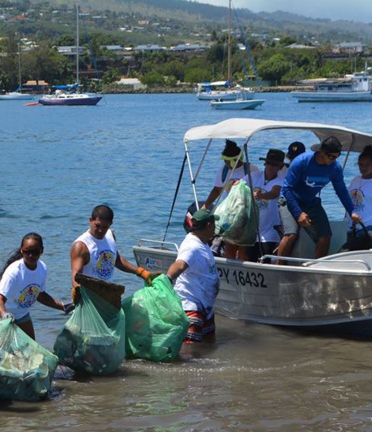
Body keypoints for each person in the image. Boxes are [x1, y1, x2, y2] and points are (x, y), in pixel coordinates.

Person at [276, 136, 361, 261]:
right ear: (321, 151)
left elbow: (341, 191)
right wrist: (298, 213)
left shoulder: (335, 168)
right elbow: (287, 189)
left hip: (310, 202)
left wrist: (351, 211)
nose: (333, 160)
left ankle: (317, 268)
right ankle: (278, 268)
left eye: (337, 157)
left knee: (325, 236)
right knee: (291, 234)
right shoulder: (301, 162)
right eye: (331, 157)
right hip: (289, 200)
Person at [0, 233, 73, 340]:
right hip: (0, 310)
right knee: (3, 348)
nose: (31, 256)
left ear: (41, 251)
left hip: (21, 312)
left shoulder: (42, 268)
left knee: (30, 345)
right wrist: (4, 316)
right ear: (22, 250)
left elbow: (40, 295)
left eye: (35, 252)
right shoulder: (14, 271)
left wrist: (63, 306)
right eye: (27, 252)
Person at [70, 205, 154, 294]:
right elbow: (76, 276)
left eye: (105, 227)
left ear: (110, 224)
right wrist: (76, 290)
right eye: (97, 226)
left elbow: (117, 261)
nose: (100, 230)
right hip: (89, 297)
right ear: (91, 220)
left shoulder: (110, 236)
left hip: (108, 295)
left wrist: (141, 272)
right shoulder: (81, 246)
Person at [166, 209, 220, 343]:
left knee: (209, 347)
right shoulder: (192, 245)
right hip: (191, 306)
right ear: (208, 225)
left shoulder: (202, 242)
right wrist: (166, 279)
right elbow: (180, 265)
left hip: (205, 307)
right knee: (189, 354)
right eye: (214, 225)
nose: (215, 228)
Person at [202, 139, 260, 260]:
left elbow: (257, 189)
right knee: (230, 243)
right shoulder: (223, 171)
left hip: (245, 213)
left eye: (228, 161)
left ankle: (242, 269)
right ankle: (230, 266)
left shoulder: (251, 170)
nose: (226, 164)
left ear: (235, 160)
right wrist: (206, 205)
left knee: (243, 244)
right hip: (229, 213)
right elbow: (217, 190)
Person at [246, 149, 287, 261]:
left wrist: (261, 195)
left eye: (275, 165)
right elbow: (239, 186)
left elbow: (274, 193)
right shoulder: (254, 176)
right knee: (250, 258)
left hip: (269, 230)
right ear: (265, 164)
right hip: (251, 229)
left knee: (265, 258)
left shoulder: (280, 181)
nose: (271, 167)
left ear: (280, 167)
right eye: (269, 163)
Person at [345, 146, 372, 245]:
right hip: (350, 228)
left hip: (367, 228)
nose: (363, 168)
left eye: (367, 165)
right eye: (361, 165)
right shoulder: (355, 179)